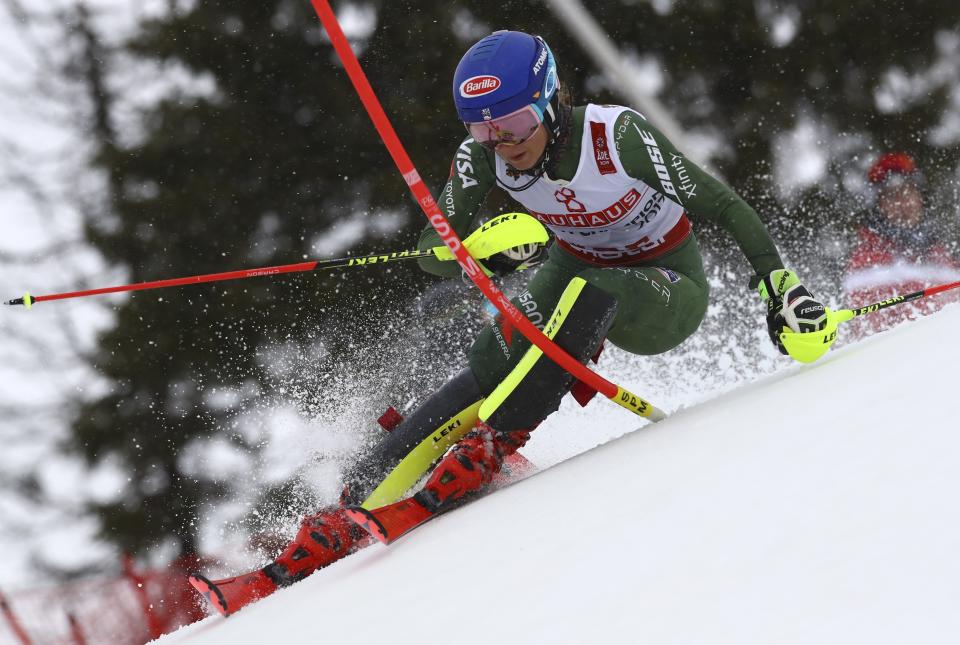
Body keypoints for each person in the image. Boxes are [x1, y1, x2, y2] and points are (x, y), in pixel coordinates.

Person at [189, 30, 840, 615]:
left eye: (517, 122)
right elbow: (429, 252)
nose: (503, 142)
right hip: (573, 270)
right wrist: (474, 247)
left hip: (665, 287)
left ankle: (494, 443)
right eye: (482, 129)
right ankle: (351, 502)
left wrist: (780, 288)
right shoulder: (483, 158)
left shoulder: (615, 138)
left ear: (551, 102)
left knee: (592, 280)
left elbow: (723, 203)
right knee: (494, 355)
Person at [844, 152, 960, 336]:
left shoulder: (939, 252)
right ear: (878, 206)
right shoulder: (868, 259)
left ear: (920, 197)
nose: (904, 203)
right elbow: (873, 328)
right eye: (892, 197)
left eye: (909, 193)